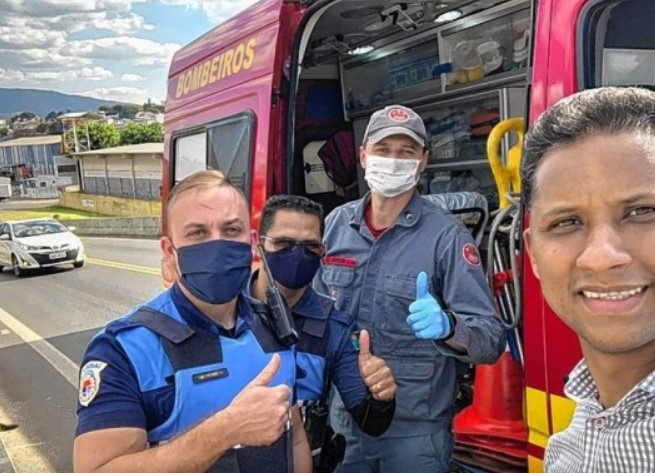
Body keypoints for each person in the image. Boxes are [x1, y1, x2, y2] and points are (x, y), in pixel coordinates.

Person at [521, 87, 655, 472]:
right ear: (533, 253)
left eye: (643, 211)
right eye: (566, 222)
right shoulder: (571, 440)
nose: (602, 256)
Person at [74, 170, 305, 473]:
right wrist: (223, 431)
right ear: (170, 251)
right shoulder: (123, 350)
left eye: (231, 229)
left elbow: (295, 438)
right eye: (197, 233)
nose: (217, 245)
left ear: (251, 243)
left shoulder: (275, 325)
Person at [316, 104, 506, 472]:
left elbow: (490, 340)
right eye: (384, 150)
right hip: (347, 416)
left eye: (406, 152)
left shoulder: (446, 237)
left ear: (423, 162)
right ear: (363, 156)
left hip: (416, 431)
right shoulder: (337, 224)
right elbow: (311, 313)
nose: (393, 160)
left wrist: (449, 327)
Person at [248, 194, 398, 471]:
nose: (297, 254)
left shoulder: (335, 327)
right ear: (259, 245)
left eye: (310, 246)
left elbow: (371, 423)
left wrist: (381, 395)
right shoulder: (224, 312)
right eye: (284, 243)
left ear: (323, 252)